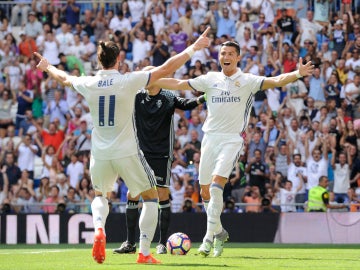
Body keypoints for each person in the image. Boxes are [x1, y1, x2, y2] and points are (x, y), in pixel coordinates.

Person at [34, 27, 210, 264]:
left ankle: (99, 229)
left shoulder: (88, 82)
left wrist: (47, 67)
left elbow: (64, 78)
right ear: (119, 60)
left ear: (99, 60)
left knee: (100, 195)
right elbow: (166, 69)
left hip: (100, 152)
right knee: (150, 197)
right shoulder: (129, 80)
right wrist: (194, 47)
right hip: (127, 151)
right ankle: (145, 252)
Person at [154, 41, 314, 257]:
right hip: (209, 138)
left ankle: (207, 239)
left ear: (238, 57)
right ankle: (219, 232)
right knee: (204, 191)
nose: (225, 56)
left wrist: (297, 73)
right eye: (222, 53)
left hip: (232, 140)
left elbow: (275, 80)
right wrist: (150, 79)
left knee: (217, 184)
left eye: (230, 53)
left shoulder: (247, 80)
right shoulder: (210, 79)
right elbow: (180, 83)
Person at [113, 66, 206, 255]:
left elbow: (187, 104)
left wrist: (205, 97)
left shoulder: (168, 97)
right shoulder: (136, 96)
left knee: (162, 196)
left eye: (147, 76)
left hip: (161, 154)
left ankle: (162, 243)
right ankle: (130, 243)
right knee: (133, 194)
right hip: (139, 153)